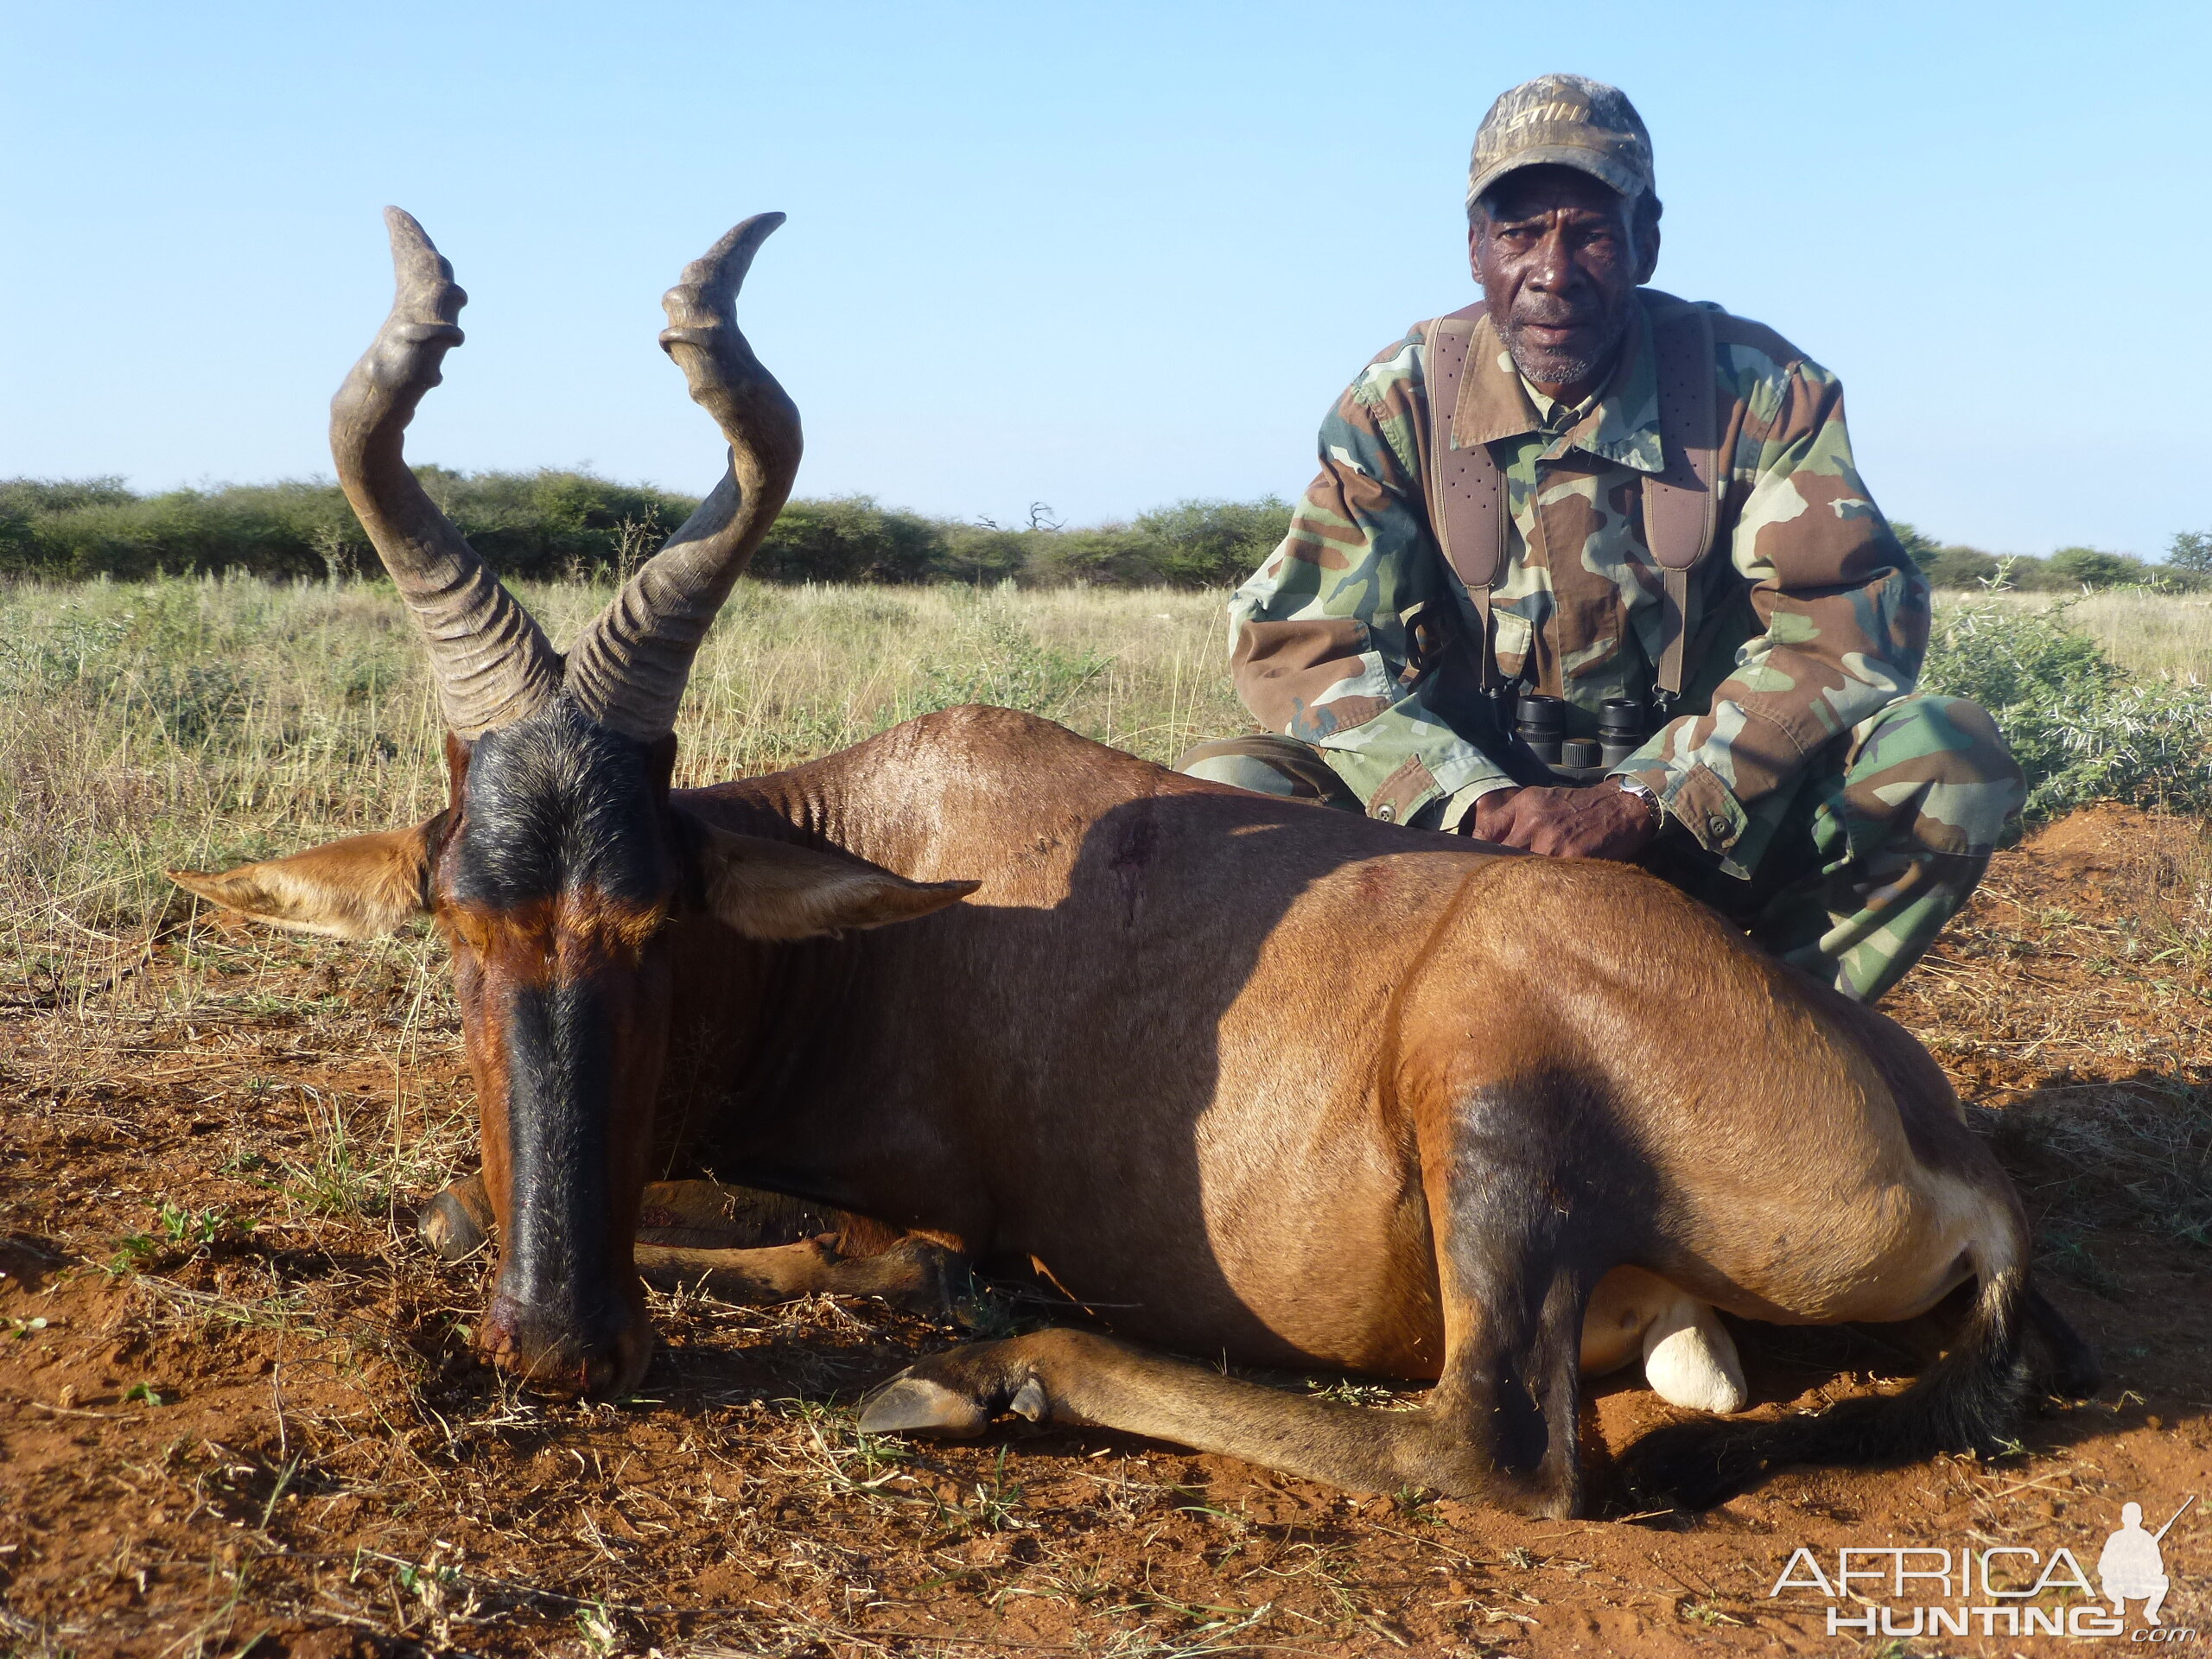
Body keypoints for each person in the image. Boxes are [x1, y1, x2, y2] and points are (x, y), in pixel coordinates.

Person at [1179, 73, 2023, 1002]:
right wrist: (1468, 798)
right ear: (1473, 250)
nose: (1551, 270)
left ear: (1644, 242)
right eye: (1518, 233)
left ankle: (1771, 1041)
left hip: (1703, 822)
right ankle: (1361, 1053)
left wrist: (1649, 797)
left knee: (1947, 758)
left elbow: (1846, 622)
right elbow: (1304, 643)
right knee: (1223, 795)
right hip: (1454, 836)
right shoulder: (1401, 400)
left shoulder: (1761, 389)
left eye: (1587, 231)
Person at [2097, 1503, 2171, 1624]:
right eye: (2128, 1518)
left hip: (2140, 1585)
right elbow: (2102, 1567)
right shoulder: (2115, 1538)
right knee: (2107, 1580)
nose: (2131, 1521)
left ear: (2140, 1519)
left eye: (2134, 1518)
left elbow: (2159, 1568)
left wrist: (2144, 1565)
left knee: (2163, 1580)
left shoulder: (2147, 1539)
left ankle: (2151, 1611)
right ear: (2123, 1519)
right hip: (2119, 1585)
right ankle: (2118, 1602)